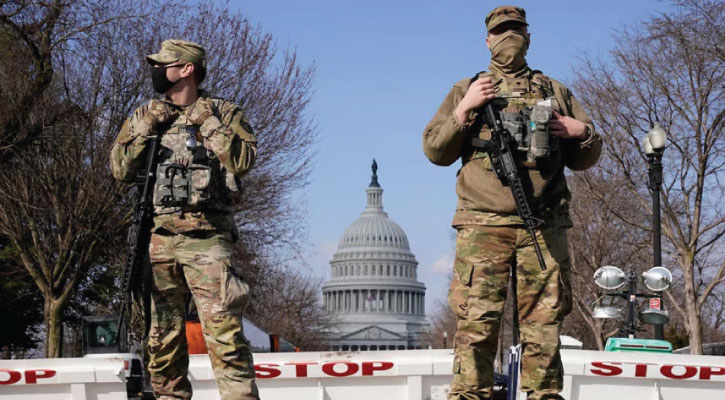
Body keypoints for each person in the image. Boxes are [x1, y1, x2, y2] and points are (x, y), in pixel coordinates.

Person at [423, 6, 602, 400]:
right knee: (477, 326)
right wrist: (465, 108)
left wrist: (581, 132)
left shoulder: (555, 92)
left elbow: (585, 158)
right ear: (487, 40)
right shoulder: (466, 88)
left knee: (544, 329)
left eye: (516, 29)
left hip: (543, 224)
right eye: (501, 31)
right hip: (483, 226)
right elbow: (435, 151)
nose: (509, 37)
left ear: (529, 37)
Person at [110, 39, 259, 400]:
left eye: (165, 64)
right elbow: (119, 169)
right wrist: (146, 126)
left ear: (187, 68)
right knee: (161, 342)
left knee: (225, 339)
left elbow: (241, 161)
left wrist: (206, 120)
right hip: (159, 238)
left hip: (208, 240)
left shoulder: (224, 112)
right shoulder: (146, 114)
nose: (157, 71)